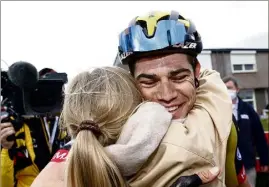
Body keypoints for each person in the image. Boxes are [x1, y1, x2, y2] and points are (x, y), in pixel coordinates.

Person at [32, 10, 247, 187]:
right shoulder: (108, 130)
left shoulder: (222, 119)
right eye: (149, 82)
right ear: (131, 83)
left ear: (196, 72)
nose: (167, 95)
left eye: (179, 77)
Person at [31, 66, 220, 187]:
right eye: (148, 82)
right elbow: (213, 85)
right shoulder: (176, 150)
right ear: (137, 118)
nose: (165, 96)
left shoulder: (56, 169)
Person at [0, 68, 68, 187]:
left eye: (53, 91)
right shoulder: (16, 125)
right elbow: (4, 184)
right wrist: (7, 149)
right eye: (42, 90)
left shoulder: (65, 124)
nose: (47, 97)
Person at [223, 75, 269, 187]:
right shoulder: (219, 110)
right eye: (224, 88)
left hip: (248, 163)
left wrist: (265, 160)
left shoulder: (248, 109)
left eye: (229, 87)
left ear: (237, 89)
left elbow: (259, 135)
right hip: (227, 166)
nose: (227, 91)